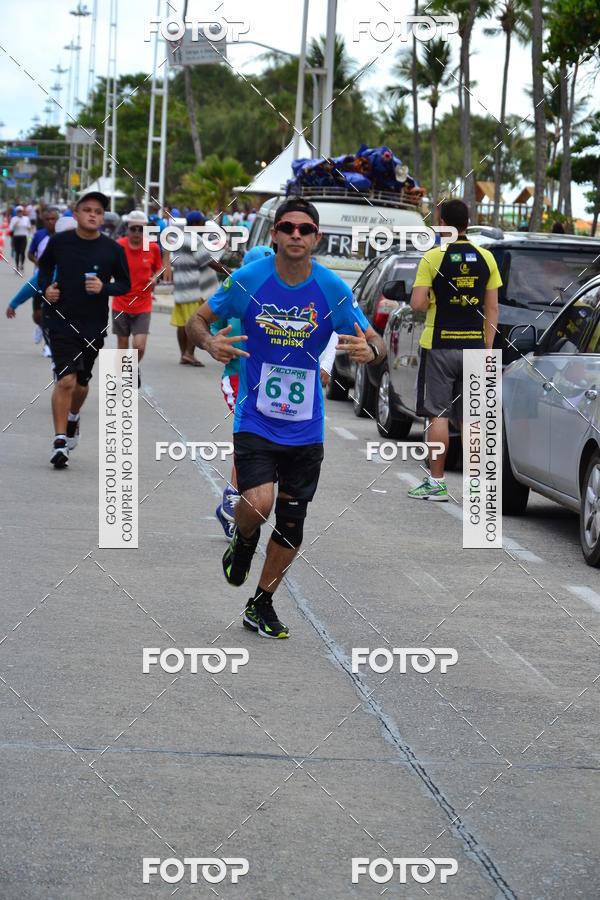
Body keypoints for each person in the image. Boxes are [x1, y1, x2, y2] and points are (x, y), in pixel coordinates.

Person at [186, 196, 385, 639]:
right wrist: (209, 343)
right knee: (259, 504)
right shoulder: (248, 279)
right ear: (274, 234)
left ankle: (261, 603)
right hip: (256, 417)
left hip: (306, 426)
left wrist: (370, 351)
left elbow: (375, 339)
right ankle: (244, 538)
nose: (296, 235)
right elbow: (196, 320)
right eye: (288, 228)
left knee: (292, 524)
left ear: (316, 237)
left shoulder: (332, 288)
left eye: (305, 229)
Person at [408, 197, 501, 501]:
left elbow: (417, 303)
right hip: (475, 346)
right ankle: (476, 489)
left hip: (438, 345)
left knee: (437, 415)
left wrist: (433, 300)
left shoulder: (432, 257)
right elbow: (492, 309)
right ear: (468, 223)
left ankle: (436, 483)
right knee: (472, 419)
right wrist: (487, 349)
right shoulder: (486, 258)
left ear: (443, 224)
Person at [37, 190, 131, 468]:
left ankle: (73, 417)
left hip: (93, 326)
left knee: (81, 384)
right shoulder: (59, 242)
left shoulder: (113, 250)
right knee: (65, 380)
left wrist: (105, 288)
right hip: (60, 321)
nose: (92, 215)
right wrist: (46, 289)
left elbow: (125, 284)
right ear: (76, 214)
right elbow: (44, 269)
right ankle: (59, 442)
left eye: (98, 212)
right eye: (87, 210)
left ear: (103, 219)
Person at [214, 244, 275, 540]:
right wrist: (217, 343)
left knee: (264, 443)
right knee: (251, 437)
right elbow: (212, 326)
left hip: (268, 384)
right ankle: (232, 499)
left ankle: (235, 496)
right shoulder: (233, 295)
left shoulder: (279, 301)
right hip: (237, 380)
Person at [114, 210, 162, 386]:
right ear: (127, 228)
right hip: (120, 303)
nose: (137, 233)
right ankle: (122, 380)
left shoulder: (152, 247)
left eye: (141, 229)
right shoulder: (118, 246)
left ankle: (132, 366)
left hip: (143, 303)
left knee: (139, 345)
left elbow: (159, 268)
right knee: (122, 344)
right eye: (133, 228)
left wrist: (155, 278)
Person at [170, 210, 222, 366]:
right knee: (194, 323)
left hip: (180, 287)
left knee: (182, 323)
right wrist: (230, 272)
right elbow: (209, 262)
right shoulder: (195, 239)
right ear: (196, 224)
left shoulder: (180, 238)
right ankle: (189, 353)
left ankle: (184, 354)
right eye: (203, 223)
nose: (205, 225)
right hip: (193, 289)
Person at [28, 206, 59, 350]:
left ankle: (48, 345)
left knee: (51, 314)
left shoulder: (63, 237)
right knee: (37, 315)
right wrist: (36, 261)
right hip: (40, 279)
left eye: (53, 219)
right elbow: (30, 253)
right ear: (43, 220)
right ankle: (40, 327)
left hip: (57, 282)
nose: (51, 221)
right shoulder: (38, 235)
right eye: (48, 219)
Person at [9, 205, 31, 272]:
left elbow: (29, 227)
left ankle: (22, 264)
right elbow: (11, 228)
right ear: (17, 212)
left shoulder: (26, 218)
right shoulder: (14, 219)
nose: (20, 213)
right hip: (16, 237)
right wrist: (15, 224)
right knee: (17, 252)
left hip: (23, 237)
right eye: (18, 212)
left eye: (21, 211)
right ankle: (17, 266)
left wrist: (28, 228)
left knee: (22, 251)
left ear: (22, 212)